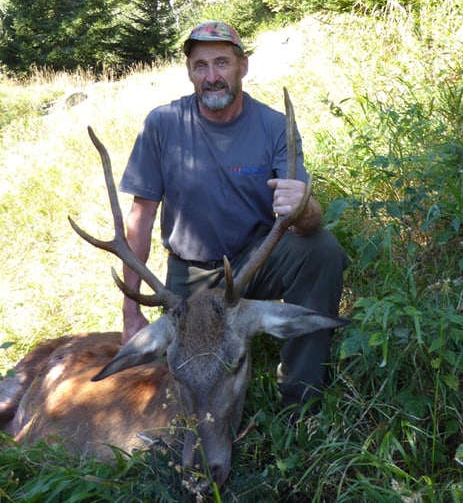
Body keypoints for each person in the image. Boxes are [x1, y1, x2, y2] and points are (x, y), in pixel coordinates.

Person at [117, 21, 348, 410]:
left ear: (243, 66)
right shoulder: (163, 124)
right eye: (200, 66)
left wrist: (305, 206)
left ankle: (301, 402)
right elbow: (140, 217)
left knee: (321, 248)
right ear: (189, 72)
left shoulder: (275, 126)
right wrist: (131, 311)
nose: (212, 77)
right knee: (187, 385)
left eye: (222, 63)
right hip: (189, 274)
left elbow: (308, 222)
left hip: (253, 263)